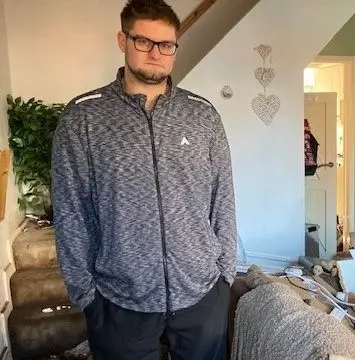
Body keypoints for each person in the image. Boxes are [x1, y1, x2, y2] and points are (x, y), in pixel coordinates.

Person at [51, 0, 237, 359]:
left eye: (166, 44)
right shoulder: (82, 118)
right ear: (123, 40)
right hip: (119, 302)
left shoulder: (202, 116)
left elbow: (223, 198)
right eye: (144, 42)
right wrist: (85, 295)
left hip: (201, 296)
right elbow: (70, 213)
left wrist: (224, 275)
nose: (156, 53)